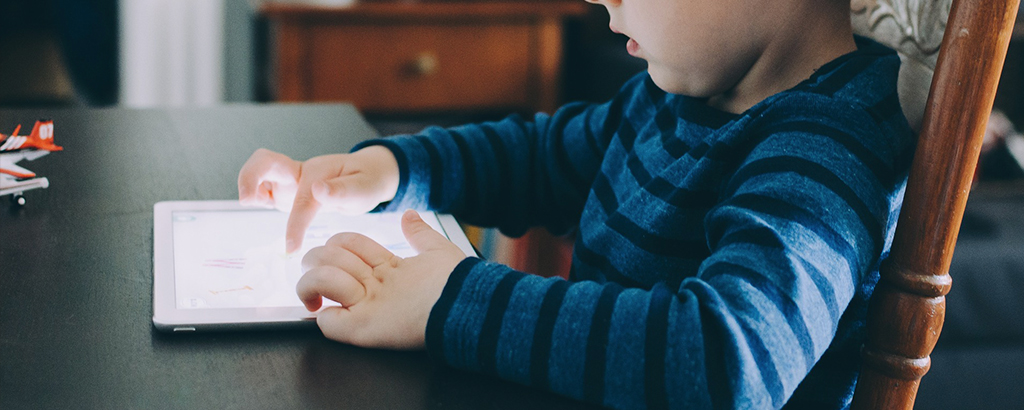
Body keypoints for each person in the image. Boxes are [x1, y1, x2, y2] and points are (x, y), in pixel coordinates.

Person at [237, 0, 916, 407]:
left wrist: (451, 298)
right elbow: (538, 158)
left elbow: (727, 360)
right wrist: (391, 168)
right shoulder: (676, 97)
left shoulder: (829, 146)